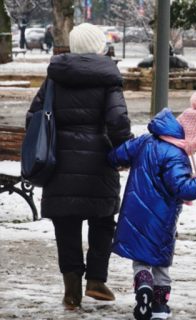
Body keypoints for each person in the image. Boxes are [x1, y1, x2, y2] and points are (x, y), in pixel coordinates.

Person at [25, 23, 132, 310]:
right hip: (99, 163)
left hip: (60, 165)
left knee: (66, 225)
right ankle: (96, 279)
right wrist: (125, 151)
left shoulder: (55, 79)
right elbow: (118, 122)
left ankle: (71, 289)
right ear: (100, 46)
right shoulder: (109, 79)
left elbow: (33, 117)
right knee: (103, 221)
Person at [108, 92, 196, 320]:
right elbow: (183, 188)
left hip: (135, 213)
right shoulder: (176, 157)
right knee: (161, 262)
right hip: (162, 219)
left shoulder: (147, 140)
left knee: (141, 259)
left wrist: (116, 160)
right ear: (193, 137)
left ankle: (143, 287)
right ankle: (160, 307)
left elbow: (117, 155)